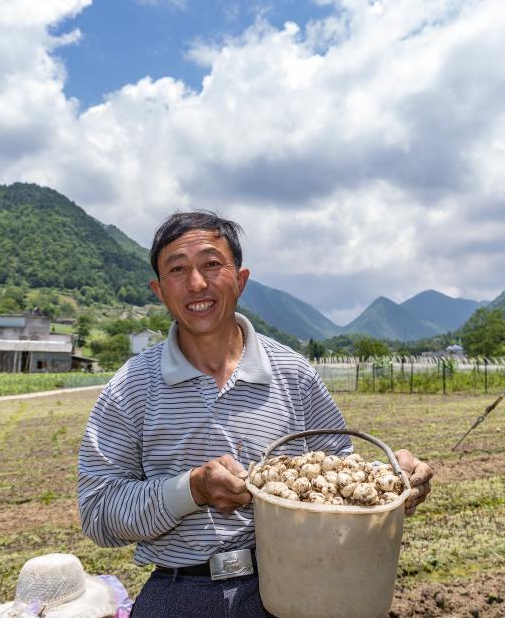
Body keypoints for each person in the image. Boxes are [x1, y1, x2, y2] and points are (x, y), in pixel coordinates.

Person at [77, 211, 433, 617]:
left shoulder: (293, 373)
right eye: (178, 269)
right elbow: (98, 512)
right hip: (178, 595)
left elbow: (341, 478)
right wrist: (191, 489)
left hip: (295, 585)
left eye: (212, 264)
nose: (196, 283)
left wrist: (392, 478)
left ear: (240, 280)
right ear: (159, 290)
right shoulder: (130, 387)